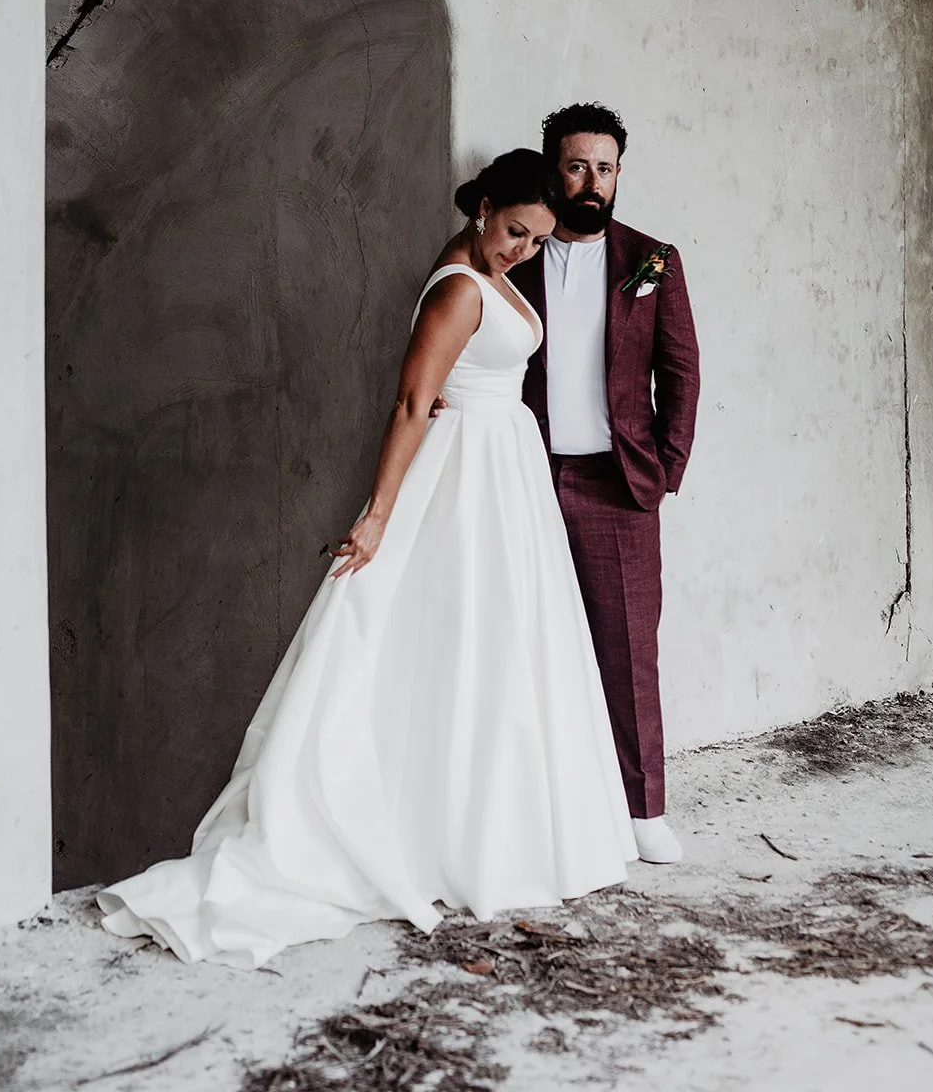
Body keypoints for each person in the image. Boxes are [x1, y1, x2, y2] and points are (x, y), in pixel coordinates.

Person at [97, 149, 636, 969]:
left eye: (535, 242)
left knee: (496, 649)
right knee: (450, 644)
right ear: (482, 207)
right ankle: (430, 834)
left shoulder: (479, 269)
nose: (522, 252)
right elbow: (414, 400)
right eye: (515, 233)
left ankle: (489, 825)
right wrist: (380, 516)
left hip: (502, 472)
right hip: (463, 475)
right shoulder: (458, 286)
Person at [507, 105, 700, 865]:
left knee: (626, 652)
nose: (592, 181)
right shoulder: (513, 254)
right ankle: (537, 804)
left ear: (619, 173)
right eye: (577, 165)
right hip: (522, 476)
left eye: (605, 167)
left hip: (616, 484)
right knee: (520, 642)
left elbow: (679, 373)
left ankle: (641, 808)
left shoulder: (651, 260)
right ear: (554, 169)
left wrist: (665, 472)